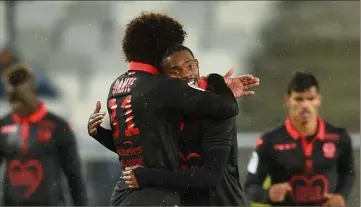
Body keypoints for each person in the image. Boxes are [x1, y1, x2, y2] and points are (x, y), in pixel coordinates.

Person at [92, 12, 242, 206]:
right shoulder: (163, 90)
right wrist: (221, 86)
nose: (186, 75)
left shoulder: (118, 86)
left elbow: (209, 176)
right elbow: (228, 106)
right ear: (162, 67)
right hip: (161, 197)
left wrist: (215, 82)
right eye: (174, 71)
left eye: (190, 66)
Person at [244, 71, 355, 206]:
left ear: (318, 100)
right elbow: (250, 187)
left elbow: (348, 173)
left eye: (310, 98)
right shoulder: (269, 141)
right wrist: (268, 194)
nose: (305, 105)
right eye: (299, 99)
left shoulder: (339, 136)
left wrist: (341, 196)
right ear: (287, 100)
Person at [0, 64, 87, 206]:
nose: (16, 105)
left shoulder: (58, 127)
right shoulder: (3, 126)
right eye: (12, 99)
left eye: (20, 98)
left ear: (33, 92)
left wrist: (81, 204)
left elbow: (74, 175)